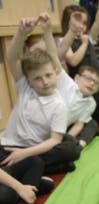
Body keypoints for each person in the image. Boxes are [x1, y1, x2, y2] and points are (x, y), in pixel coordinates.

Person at [2, 14, 80, 174]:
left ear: (55, 73)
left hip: (33, 149)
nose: (44, 82)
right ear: (29, 80)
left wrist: (47, 31)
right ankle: (48, 169)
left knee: (70, 148)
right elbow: (11, 58)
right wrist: (21, 33)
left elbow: (54, 139)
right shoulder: (26, 86)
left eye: (48, 76)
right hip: (9, 144)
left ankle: (32, 169)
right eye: (37, 78)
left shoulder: (59, 101)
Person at [60, 1, 99, 122]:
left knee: (97, 111)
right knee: (82, 115)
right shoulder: (64, 41)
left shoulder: (88, 37)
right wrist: (84, 44)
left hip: (94, 84)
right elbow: (73, 61)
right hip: (79, 88)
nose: (82, 26)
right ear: (67, 23)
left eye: (84, 23)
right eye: (78, 22)